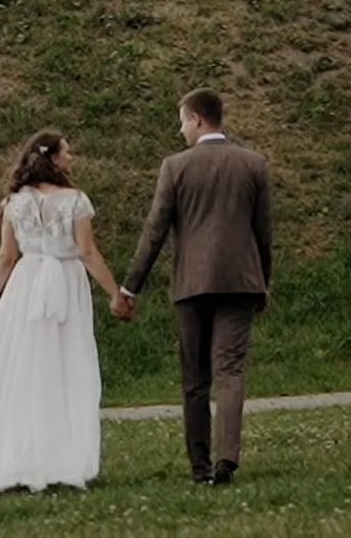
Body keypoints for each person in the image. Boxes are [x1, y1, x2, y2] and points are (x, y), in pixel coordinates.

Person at [0, 129, 126, 496]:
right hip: (65, 283)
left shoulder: (15, 202)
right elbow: (88, 253)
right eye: (67, 153)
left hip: (26, 285)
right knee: (67, 365)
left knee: (21, 368)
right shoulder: (75, 201)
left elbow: (7, 257)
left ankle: (16, 455)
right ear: (53, 159)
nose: (71, 159)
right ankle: (62, 456)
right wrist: (115, 293)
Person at [114, 88, 275, 487]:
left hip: (191, 285)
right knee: (231, 370)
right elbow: (264, 233)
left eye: (182, 120)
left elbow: (155, 231)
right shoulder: (254, 164)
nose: (180, 128)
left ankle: (199, 467)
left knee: (195, 379)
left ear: (198, 118)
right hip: (241, 282)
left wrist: (131, 286)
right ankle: (227, 460)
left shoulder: (175, 167)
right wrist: (263, 283)